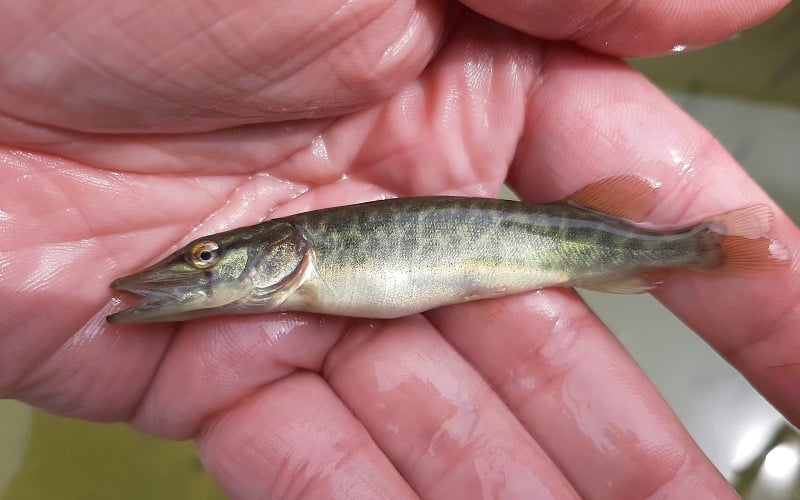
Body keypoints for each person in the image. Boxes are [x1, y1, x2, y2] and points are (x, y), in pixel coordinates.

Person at [1, 1, 796, 497]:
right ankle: (703, 248)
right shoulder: (298, 275)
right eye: (204, 260)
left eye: (205, 258)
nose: (192, 269)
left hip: (565, 240)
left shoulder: (308, 261)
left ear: (277, 248)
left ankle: (706, 248)